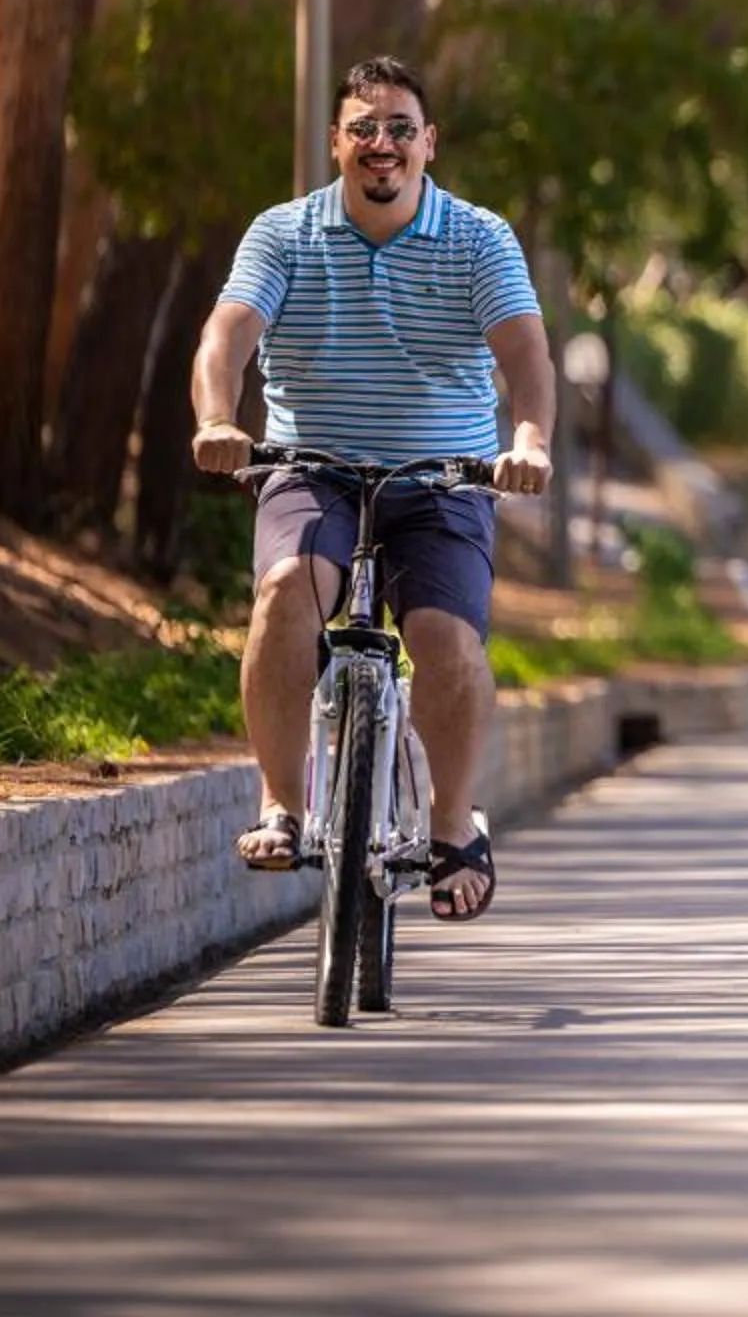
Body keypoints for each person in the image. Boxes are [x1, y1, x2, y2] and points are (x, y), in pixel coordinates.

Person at [191, 56, 553, 922]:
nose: (380, 144)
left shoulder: (478, 238)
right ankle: (282, 804)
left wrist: (529, 440)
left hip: (444, 482)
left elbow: (527, 359)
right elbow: (225, 338)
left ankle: (452, 825)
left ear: (428, 143)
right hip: (310, 470)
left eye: (398, 128)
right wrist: (215, 418)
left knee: (447, 640)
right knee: (287, 595)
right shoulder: (284, 233)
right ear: (336, 144)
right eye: (364, 128)